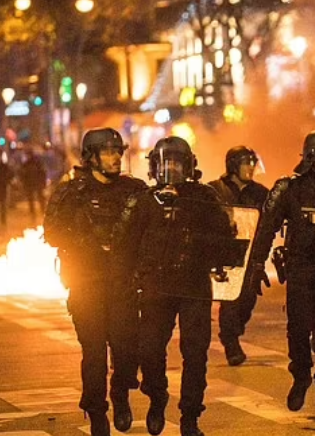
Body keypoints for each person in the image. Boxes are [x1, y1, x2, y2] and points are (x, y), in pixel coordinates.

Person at [115, 136, 241, 436]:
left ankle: (190, 418)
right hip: (156, 287)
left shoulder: (204, 197)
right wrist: (127, 283)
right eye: (165, 163)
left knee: (195, 355)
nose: (170, 168)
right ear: (155, 167)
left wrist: (205, 241)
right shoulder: (144, 200)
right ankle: (157, 398)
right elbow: (126, 245)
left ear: (189, 166)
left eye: (176, 163)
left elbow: (225, 240)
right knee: (149, 352)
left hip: (193, 288)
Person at [43, 128, 147, 436]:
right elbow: (52, 231)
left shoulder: (134, 190)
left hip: (123, 283)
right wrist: (88, 244)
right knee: (95, 353)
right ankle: (97, 411)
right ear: (92, 156)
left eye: (118, 151)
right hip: (86, 282)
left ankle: (120, 393)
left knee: (126, 348)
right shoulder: (72, 191)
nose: (116, 157)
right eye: (108, 152)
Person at [249, 130, 315, 418]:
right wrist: (256, 265)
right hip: (301, 269)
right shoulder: (290, 190)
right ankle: (301, 376)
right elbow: (265, 228)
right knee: (298, 329)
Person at [208, 146, 269, 366]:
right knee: (231, 301)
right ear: (234, 165)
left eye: (253, 163)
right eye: (246, 163)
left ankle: (233, 331)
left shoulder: (261, 193)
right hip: (226, 255)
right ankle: (231, 342)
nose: (251, 168)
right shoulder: (215, 190)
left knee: (248, 300)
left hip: (252, 255)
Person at [21, 148, 48, 218]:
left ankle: (43, 212)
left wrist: (43, 183)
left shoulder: (37, 163)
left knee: (40, 198)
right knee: (31, 200)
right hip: (30, 184)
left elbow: (42, 173)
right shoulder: (26, 164)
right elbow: (23, 174)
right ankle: (33, 214)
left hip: (37, 184)